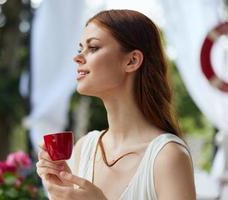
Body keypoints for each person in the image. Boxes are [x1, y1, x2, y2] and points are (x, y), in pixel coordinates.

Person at [36, 9, 196, 200]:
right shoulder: (85, 148)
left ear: (132, 60)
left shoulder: (168, 156)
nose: (77, 57)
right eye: (80, 49)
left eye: (93, 48)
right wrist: (60, 189)